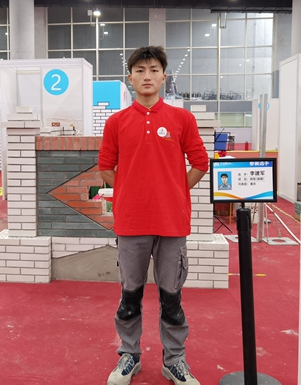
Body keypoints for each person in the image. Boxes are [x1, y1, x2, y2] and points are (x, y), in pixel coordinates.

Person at [99, 46, 209, 385]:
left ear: (163, 77)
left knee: (171, 296)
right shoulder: (116, 122)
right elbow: (105, 167)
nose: (147, 76)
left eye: (154, 70)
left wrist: (174, 190)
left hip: (171, 223)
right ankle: (129, 356)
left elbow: (200, 163)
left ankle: (174, 360)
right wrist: (130, 192)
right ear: (130, 78)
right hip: (131, 223)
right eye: (140, 70)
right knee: (130, 295)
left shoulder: (182, 119)